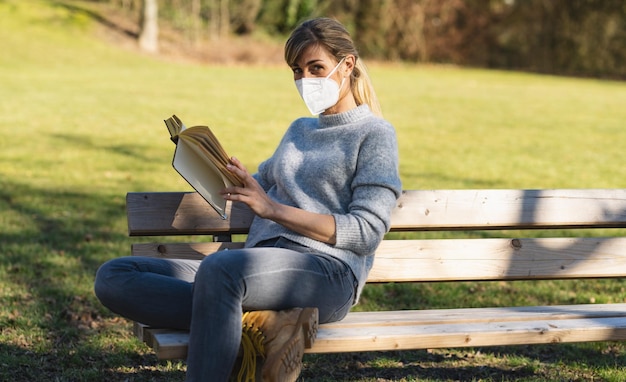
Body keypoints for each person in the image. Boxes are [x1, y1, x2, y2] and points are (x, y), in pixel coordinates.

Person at [94, 17, 402, 382]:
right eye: (297, 71)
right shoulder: (299, 130)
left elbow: (366, 232)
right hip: (254, 265)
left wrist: (273, 209)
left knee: (219, 272)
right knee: (114, 275)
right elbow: (257, 185)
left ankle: (224, 309)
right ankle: (235, 313)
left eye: (316, 67)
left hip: (326, 271)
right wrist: (219, 172)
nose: (306, 80)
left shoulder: (375, 135)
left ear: (347, 65)